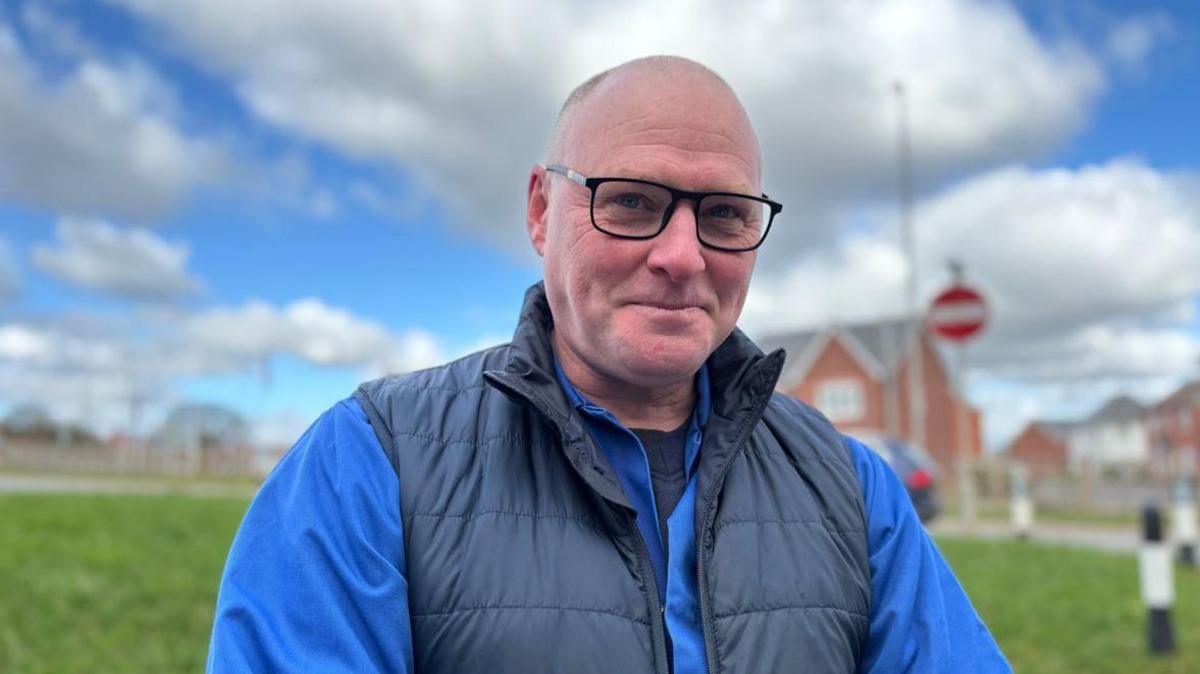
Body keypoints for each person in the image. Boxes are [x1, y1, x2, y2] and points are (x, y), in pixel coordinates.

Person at [207, 56, 1011, 673]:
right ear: (538, 210)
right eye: (630, 200)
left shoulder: (850, 488)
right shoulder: (367, 465)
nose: (681, 256)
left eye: (725, 214)